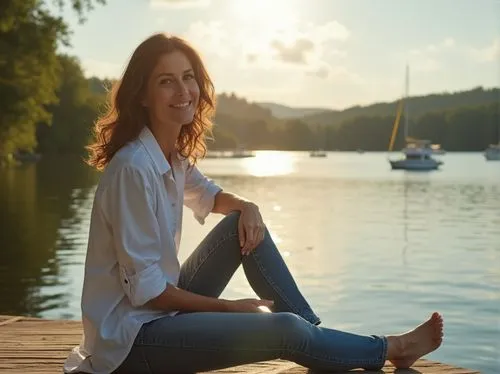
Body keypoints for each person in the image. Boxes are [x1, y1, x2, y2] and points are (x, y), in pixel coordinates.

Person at [63, 33, 444, 374]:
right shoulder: (133, 168)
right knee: (284, 329)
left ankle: (317, 339)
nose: (183, 90)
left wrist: (247, 205)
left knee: (239, 227)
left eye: (188, 76)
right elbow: (147, 292)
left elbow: (210, 196)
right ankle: (390, 347)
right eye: (166, 81)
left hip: (157, 314)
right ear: (142, 95)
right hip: (130, 342)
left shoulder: (170, 157)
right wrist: (231, 307)